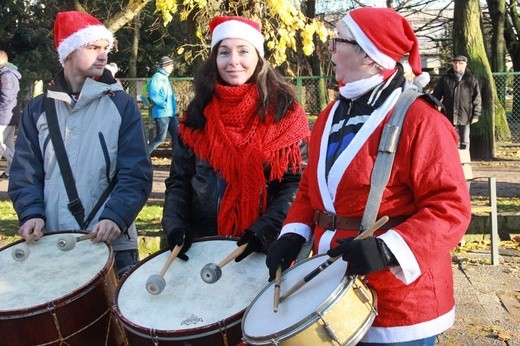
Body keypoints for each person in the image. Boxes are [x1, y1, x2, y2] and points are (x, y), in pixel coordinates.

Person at [265, 8, 471, 345]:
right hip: (333, 290)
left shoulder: (422, 119)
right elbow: (310, 190)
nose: (329, 49)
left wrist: (387, 250)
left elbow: (450, 208)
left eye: (339, 41)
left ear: (370, 55)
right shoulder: (331, 114)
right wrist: (292, 234)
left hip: (400, 301)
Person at [8, 11, 153, 277]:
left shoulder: (123, 105)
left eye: (106, 48)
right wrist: (31, 213)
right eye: (93, 47)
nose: (103, 55)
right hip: (52, 242)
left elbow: (136, 174)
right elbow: (25, 172)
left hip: (110, 243)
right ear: (69, 53)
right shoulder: (37, 109)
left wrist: (116, 217)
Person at [161, 16, 310, 262]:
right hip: (203, 247)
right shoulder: (196, 115)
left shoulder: (286, 113)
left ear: (258, 58)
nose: (233, 62)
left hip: (265, 249)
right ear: (214, 59)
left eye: (243, 51)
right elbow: (179, 180)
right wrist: (175, 226)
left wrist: (267, 229)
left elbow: (296, 183)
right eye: (224, 52)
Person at [432, 55, 481, 149]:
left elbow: (477, 99)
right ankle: (449, 161)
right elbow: (436, 95)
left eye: (460, 63)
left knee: (465, 141)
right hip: (447, 115)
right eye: (455, 63)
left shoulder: (472, 80)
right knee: (448, 139)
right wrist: (433, 107)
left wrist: (476, 114)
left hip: (465, 116)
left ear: (465, 65)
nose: (457, 65)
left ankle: (464, 161)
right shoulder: (445, 79)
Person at [147, 56, 178, 154]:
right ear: (165, 66)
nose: (173, 67)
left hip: (170, 113)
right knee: (160, 138)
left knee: (177, 136)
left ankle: (176, 160)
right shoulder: (157, 77)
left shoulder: (164, 77)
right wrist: (163, 104)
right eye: (171, 65)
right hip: (162, 113)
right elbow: (153, 94)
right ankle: (143, 155)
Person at [0, 50, 21, 179]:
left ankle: (17, 167)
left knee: (2, 145)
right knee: (8, 144)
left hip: (4, 115)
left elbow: (5, 97)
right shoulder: (9, 73)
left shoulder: (5, 75)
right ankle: (9, 172)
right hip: (9, 115)